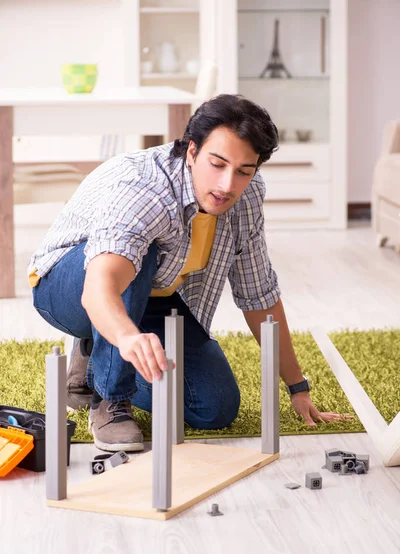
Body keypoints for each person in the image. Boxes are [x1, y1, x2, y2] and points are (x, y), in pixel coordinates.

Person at [28, 94, 348, 453]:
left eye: (244, 170)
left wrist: (297, 387)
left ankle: (95, 356)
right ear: (192, 152)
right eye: (218, 163)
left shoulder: (247, 195)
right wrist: (128, 338)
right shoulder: (144, 188)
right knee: (140, 256)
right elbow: (99, 287)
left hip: (153, 295)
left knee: (214, 407)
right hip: (70, 285)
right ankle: (109, 398)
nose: (228, 185)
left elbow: (258, 294)